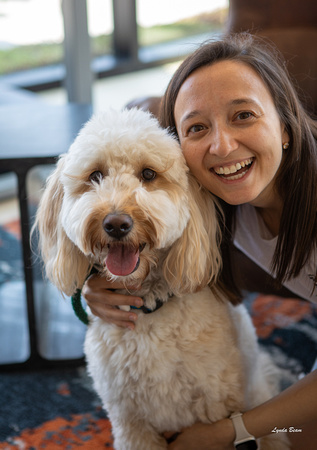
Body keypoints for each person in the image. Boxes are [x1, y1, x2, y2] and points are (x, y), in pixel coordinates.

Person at [82, 33, 317, 449]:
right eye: (197, 127)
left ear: (284, 124)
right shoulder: (214, 197)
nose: (222, 146)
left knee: (289, 436)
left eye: (243, 115)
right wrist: (87, 289)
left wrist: (230, 430)